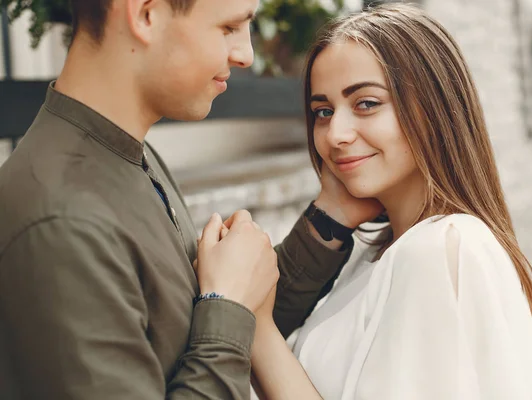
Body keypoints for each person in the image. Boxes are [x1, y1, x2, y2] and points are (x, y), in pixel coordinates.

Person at [0, 0, 381, 398]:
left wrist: (332, 216)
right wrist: (226, 301)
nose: (246, 55)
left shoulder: (123, 155)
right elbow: (222, 325)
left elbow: (210, 335)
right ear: (146, 14)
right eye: (229, 28)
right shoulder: (61, 222)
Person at [248, 4, 532, 399]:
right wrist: (334, 212)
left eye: (366, 103)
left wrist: (256, 323)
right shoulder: (378, 251)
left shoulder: (442, 248)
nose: (335, 134)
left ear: (434, 109)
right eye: (323, 111)